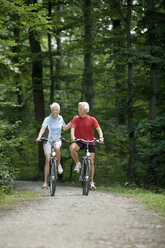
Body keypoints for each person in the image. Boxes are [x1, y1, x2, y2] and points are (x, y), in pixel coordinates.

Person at [69, 102, 104, 190]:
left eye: (80, 109)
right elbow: (72, 128)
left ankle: (91, 182)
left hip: (90, 142)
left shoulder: (92, 119)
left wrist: (101, 137)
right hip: (80, 141)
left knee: (91, 161)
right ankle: (77, 163)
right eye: (78, 108)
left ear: (85, 110)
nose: (78, 110)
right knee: (72, 148)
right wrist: (73, 137)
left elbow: (98, 129)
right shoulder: (76, 119)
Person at [36, 102, 71, 189]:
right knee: (47, 160)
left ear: (59, 110)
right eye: (53, 110)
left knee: (57, 147)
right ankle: (45, 182)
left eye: (57, 110)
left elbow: (64, 128)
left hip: (57, 140)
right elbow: (43, 128)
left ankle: (59, 165)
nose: (55, 112)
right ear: (51, 110)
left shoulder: (60, 118)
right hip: (47, 140)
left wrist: (72, 122)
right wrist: (39, 137)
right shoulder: (47, 119)